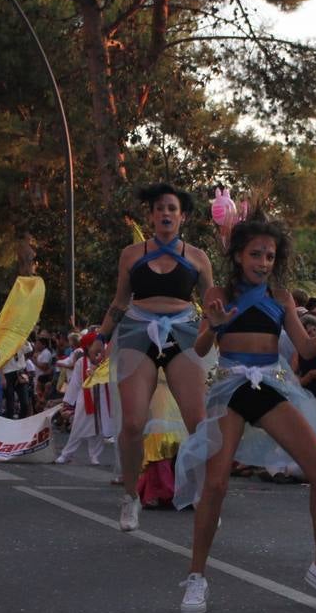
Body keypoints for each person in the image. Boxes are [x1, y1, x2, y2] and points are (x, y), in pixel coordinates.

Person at [172, 217, 316, 613]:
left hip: (271, 386)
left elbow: (307, 349)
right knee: (217, 483)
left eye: (270, 256)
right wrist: (215, 326)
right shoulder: (219, 293)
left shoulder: (281, 297)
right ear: (238, 255)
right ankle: (196, 577)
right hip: (229, 388)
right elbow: (203, 347)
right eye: (255, 254)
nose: (262, 262)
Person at [89, 183, 215, 532]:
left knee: (199, 421)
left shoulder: (198, 257)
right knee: (132, 423)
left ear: (183, 217)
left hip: (184, 333)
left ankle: (205, 494)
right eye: (159, 208)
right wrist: (101, 337)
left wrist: (215, 332)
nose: (165, 214)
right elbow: (120, 301)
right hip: (136, 331)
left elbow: (212, 306)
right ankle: (131, 497)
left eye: (172, 209)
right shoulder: (131, 254)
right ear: (150, 216)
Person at [56, 331, 114, 465]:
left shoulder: (105, 361)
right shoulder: (81, 362)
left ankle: (94, 456)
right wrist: (68, 402)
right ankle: (66, 454)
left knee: (98, 428)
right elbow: (75, 383)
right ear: (88, 347)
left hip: (103, 400)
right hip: (85, 399)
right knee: (78, 427)